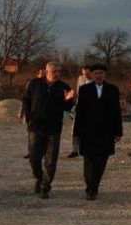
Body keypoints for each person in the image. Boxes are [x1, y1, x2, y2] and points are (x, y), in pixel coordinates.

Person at [22, 61, 76, 198]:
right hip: (35, 127)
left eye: (59, 71)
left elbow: (67, 108)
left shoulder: (63, 87)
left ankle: (45, 186)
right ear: (46, 72)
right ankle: (39, 178)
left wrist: (69, 100)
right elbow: (26, 100)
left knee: (51, 160)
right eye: (54, 71)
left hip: (53, 129)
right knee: (34, 158)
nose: (57, 73)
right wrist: (28, 116)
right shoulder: (34, 84)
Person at [71, 63, 123, 200]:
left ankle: (95, 185)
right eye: (96, 73)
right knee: (88, 160)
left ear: (104, 74)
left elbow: (116, 112)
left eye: (101, 73)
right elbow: (79, 112)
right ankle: (90, 188)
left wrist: (118, 132)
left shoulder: (112, 89)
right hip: (88, 132)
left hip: (106, 131)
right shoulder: (84, 89)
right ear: (91, 75)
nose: (98, 75)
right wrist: (76, 133)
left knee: (102, 160)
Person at [19, 66, 45, 157]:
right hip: (31, 114)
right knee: (31, 134)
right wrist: (22, 112)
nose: (43, 75)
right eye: (42, 73)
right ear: (38, 73)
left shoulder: (47, 84)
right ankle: (31, 152)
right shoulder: (31, 83)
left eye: (44, 73)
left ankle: (41, 152)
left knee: (41, 135)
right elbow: (26, 99)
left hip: (42, 115)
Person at [67, 66, 92, 159]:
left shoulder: (95, 81)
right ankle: (75, 150)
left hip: (90, 109)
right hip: (80, 107)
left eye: (87, 74)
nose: (85, 76)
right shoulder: (81, 79)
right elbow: (78, 92)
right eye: (84, 74)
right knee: (75, 129)